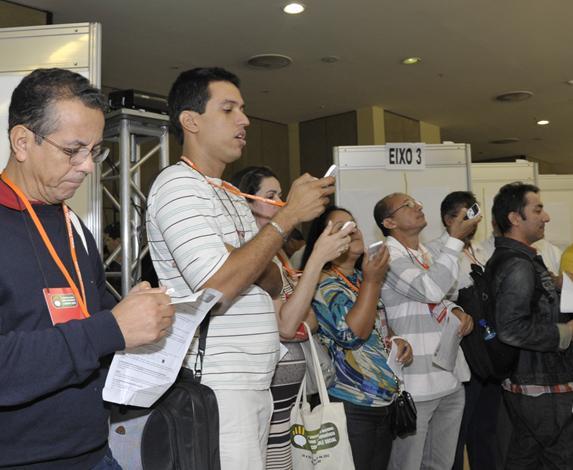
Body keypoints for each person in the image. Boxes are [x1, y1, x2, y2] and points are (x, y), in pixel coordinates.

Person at [145, 67, 334, 470]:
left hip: (255, 380)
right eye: (228, 109)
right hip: (219, 383)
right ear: (191, 121)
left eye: (243, 110)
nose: (244, 120)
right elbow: (220, 284)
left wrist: (243, 256)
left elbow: (270, 280)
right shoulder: (178, 186)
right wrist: (284, 222)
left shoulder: (229, 194)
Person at [0, 68, 175, 469]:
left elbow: (94, 329)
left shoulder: (73, 225)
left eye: (94, 151)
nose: (87, 167)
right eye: (72, 150)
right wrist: (111, 328)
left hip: (94, 452)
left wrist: (140, 324)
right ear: (22, 141)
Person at [234, 166, 352, 470]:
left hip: (289, 405)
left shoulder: (279, 255)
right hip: (265, 401)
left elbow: (310, 321)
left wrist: (293, 313)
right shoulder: (246, 255)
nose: (281, 203)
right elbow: (288, 325)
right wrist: (317, 260)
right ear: (245, 203)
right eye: (270, 196)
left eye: (281, 195)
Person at [373, 193, 479, 470]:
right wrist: (455, 240)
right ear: (389, 222)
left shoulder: (425, 252)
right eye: (407, 205)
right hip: (414, 383)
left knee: (441, 465)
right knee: (407, 464)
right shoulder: (387, 255)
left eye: (418, 202)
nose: (418, 206)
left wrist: (454, 309)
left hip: (448, 373)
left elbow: (446, 292)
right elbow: (431, 289)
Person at [304, 206, 413, 470]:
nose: (352, 230)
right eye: (341, 227)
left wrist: (398, 341)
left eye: (353, 223)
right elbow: (352, 335)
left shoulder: (359, 277)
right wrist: (373, 282)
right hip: (350, 404)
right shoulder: (323, 283)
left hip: (382, 400)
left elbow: (375, 327)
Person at [490, 182, 573, 469]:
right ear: (515, 218)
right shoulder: (518, 265)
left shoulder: (521, 259)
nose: (546, 217)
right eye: (537, 209)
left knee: (526, 458)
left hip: (532, 384)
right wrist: (566, 332)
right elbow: (511, 328)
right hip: (540, 386)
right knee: (558, 459)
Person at [426, 191, 501, 470]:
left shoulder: (483, 250)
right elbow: (437, 295)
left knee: (486, 431)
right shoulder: (434, 251)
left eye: (476, 213)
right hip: (461, 351)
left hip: (490, 350)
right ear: (448, 219)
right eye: (466, 214)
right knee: (456, 431)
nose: (474, 220)